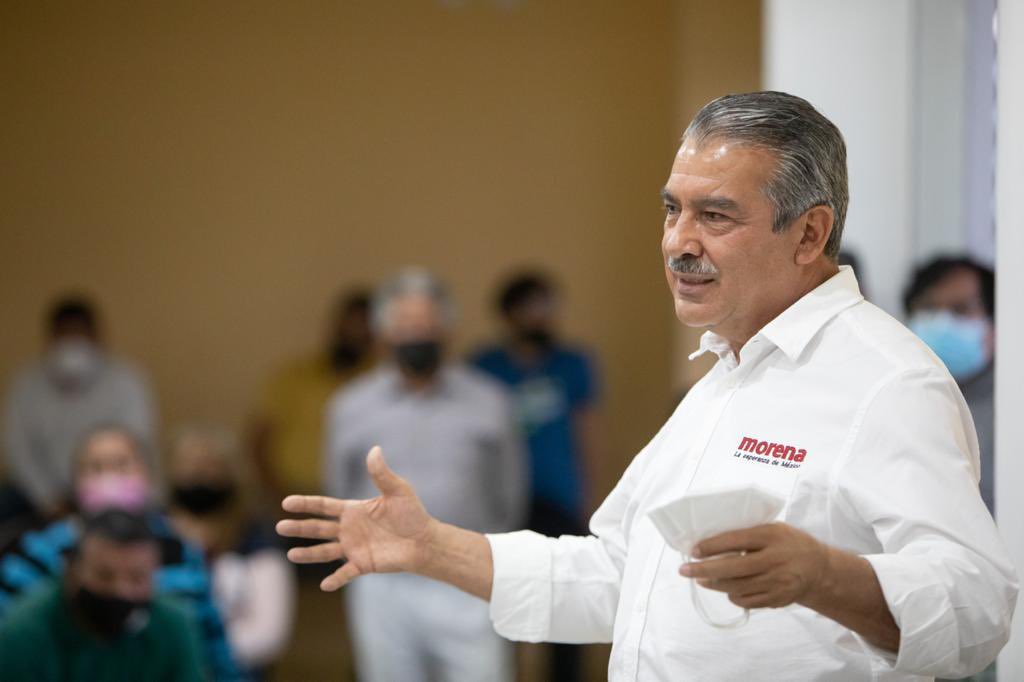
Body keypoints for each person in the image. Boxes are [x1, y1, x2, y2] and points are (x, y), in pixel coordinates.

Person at [278, 92, 1017, 680]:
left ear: (809, 234)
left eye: (715, 215)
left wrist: (825, 576)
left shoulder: (887, 380)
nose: (677, 243)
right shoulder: (723, 380)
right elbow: (619, 573)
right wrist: (432, 547)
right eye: (672, 210)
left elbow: (978, 608)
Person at [322, 268, 526, 682]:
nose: (418, 334)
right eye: (406, 324)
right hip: (384, 582)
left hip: (469, 575)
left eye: (427, 323)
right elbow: (338, 489)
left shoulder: (490, 400)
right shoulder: (350, 406)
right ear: (383, 333)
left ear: (448, 329)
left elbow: (511, 492)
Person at [0, 424, 243, 680]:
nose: (121, 591)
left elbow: (215, 647)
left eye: (122, 464)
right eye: (96, 467)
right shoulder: (38, 553)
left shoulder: (181, 557)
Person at [471, 271, 601, 682]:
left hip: (560, 498)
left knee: (566, 606)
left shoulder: (573, 364)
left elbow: (587, 431)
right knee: (502, 606)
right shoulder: (483, 367)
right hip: (502, 504)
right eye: (532, 307)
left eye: (548, 307)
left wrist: (590, 499)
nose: (542, 316)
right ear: (509, 314)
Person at [0, 509, 205, 681]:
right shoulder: (25, 633)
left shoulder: (174, 625)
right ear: (72, 570)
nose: (121, 590)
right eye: (104, 576)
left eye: (136, 578)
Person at [1, 296, 157, 520]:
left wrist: (99, 487)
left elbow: (135, 444)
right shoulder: (27, 384)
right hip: (41, 493)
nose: (72, 343)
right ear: (51, 338)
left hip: (109, 483)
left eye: (79, 334)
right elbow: (19, 449)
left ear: (96, 336)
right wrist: (48, 498)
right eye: (65, 335)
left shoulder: (126, 380)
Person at [168, 424, 295, 679]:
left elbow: (268, 635)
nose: (198, 476)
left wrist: (197, 648)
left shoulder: (257, 542)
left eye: (209, 466)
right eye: (189, 466)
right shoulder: (155, 538)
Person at [249, 289, 374, 502]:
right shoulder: (295, 376)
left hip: (357, 500)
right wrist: (277, 496)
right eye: (352, 324)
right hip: (293, 495)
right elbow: (259, 440)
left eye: (365, 327)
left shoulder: (379, 382)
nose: (356, 334)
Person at [904, 256, 996, 513]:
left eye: (961, 309)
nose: (942, 323)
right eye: (929, 308)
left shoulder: (1009, 410)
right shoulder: (898, 397)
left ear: (993, 322)